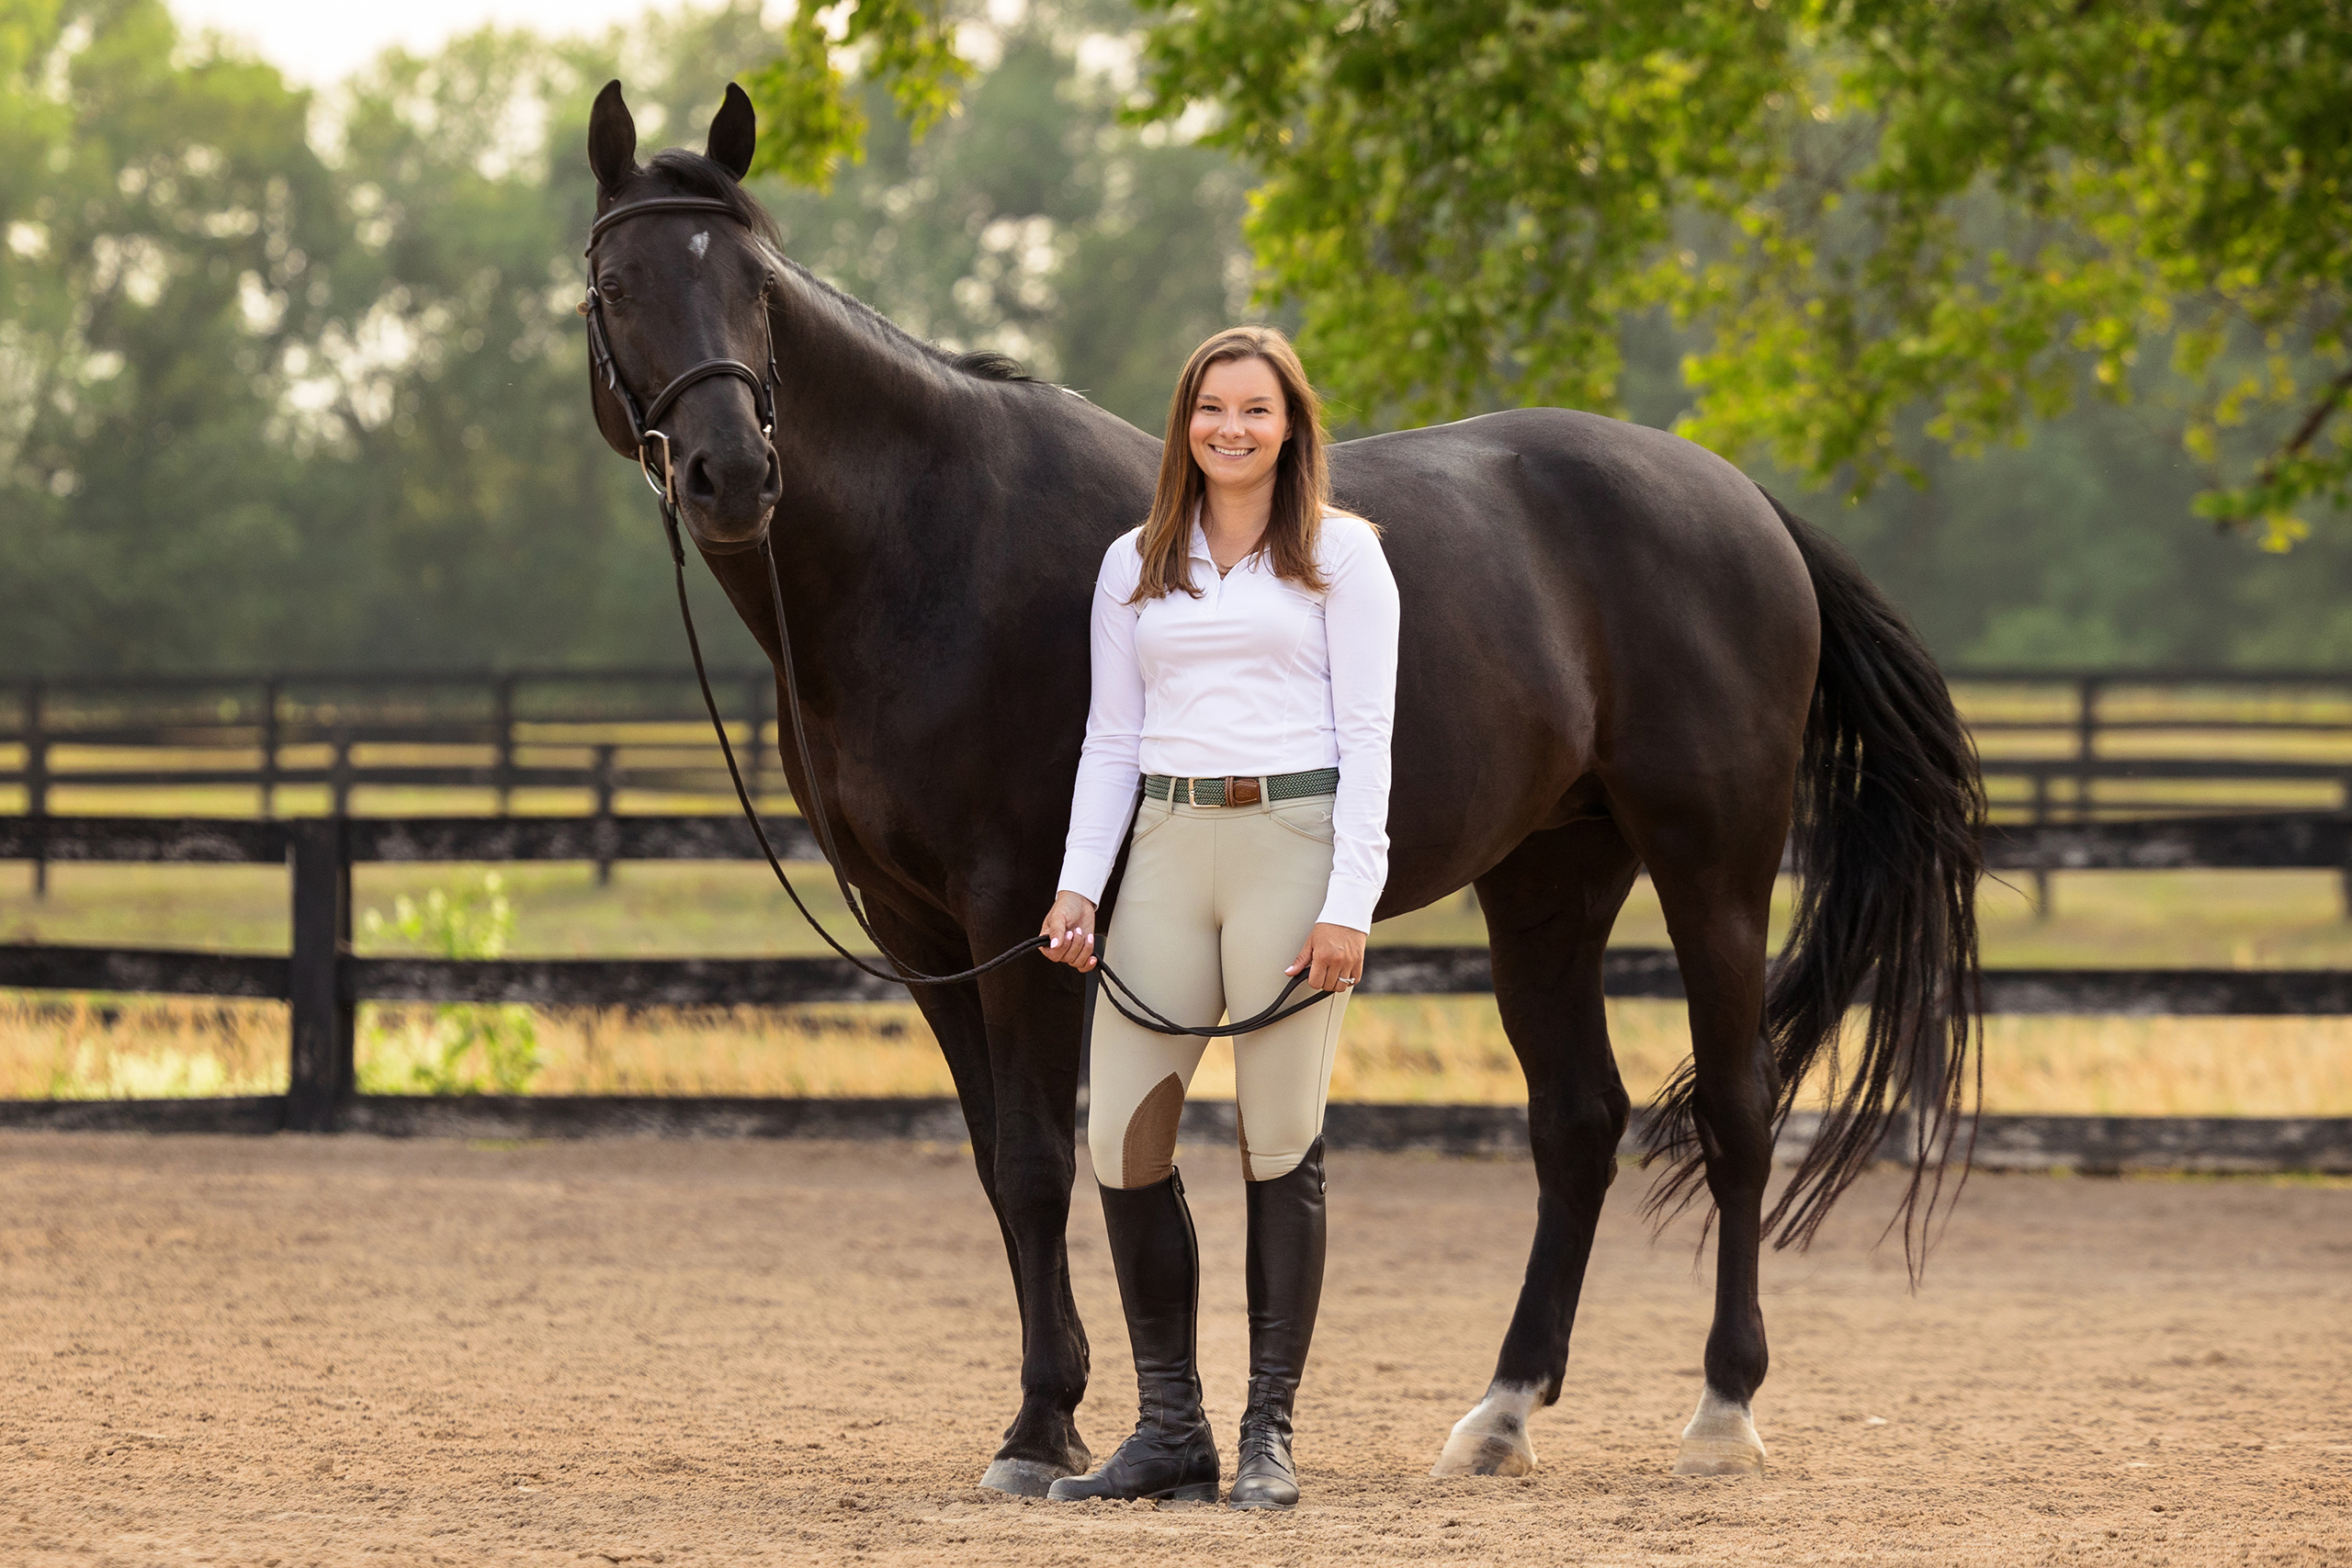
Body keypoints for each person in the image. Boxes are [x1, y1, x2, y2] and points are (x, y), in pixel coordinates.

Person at [1037, 325, 1400, 1510]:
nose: (1230, 430)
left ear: (1290, 425)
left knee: (1277, 1136)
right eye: (1210, 408)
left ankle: (1268, 1432)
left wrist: (1352, 903)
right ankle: (1169, 1425)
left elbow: (1368, 741)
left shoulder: (1344, 557)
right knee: (1120, 1145)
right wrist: (1080, 884)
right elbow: (1111, 738)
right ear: (1184, 422)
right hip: (1166, 847)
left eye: (1255, 410)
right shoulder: (1134, 560)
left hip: (1291, 846)